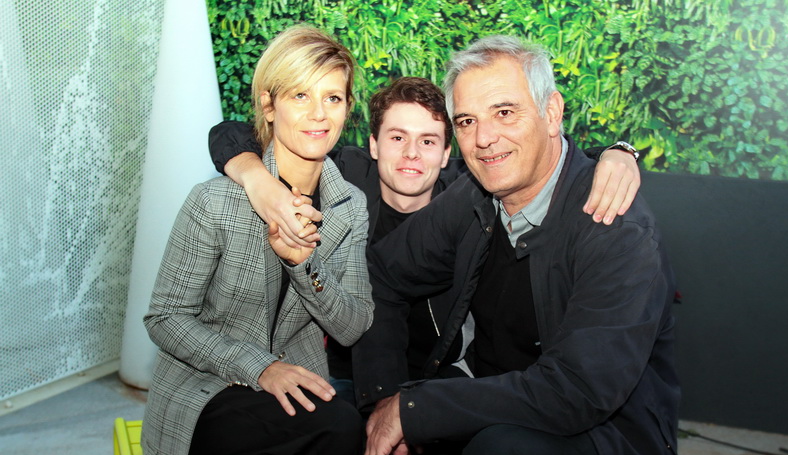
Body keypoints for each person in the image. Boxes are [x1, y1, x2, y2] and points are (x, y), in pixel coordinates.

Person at [358, 35, 679, 455]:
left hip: (604, 434)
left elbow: (578, 391)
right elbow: (381, 273)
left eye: (505, 112)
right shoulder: (474, 195)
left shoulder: (614, 226)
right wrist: (384, 397)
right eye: (467, 121)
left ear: (552, 113)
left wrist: (418, 408)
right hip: (490, 402)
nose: (484, 138)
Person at [208, 78, 642, 406]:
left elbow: (541, 153)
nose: (412, 154)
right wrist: (258, 182)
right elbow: (228, 133)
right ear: (374, 145)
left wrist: (619, 151)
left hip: (433, 384)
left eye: (428, 141)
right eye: (397, 138)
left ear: (449, 153)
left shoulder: (469, 199)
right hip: (339, 375)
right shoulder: (345, 180)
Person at [140, 25, 373, 455]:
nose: (319, 113)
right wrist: (261, 367)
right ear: (269, 106)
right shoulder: (215, 202)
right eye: (300, 95)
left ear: (347, 108)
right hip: (204, 400)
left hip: (288, 409)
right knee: (339, 424)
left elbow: (354, 324)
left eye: (333, 97)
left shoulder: (349, 207)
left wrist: (302, 264)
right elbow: (164, 318)